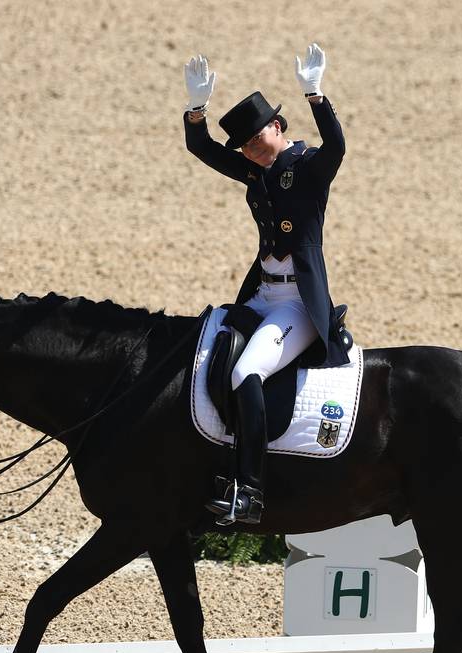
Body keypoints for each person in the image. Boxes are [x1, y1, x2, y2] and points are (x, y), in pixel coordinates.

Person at [182, 43, 349, 525]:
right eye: (247, 147)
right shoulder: (256, 173)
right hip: (260, 293)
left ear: (278, 126)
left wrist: (315, 95)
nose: (253, 151)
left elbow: (338, 145)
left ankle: (249, 490)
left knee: (244, 373)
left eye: (258, 139)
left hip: (296, 303)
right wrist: (196, 111)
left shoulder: (310, 167)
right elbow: (202, 149)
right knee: (200, 358)